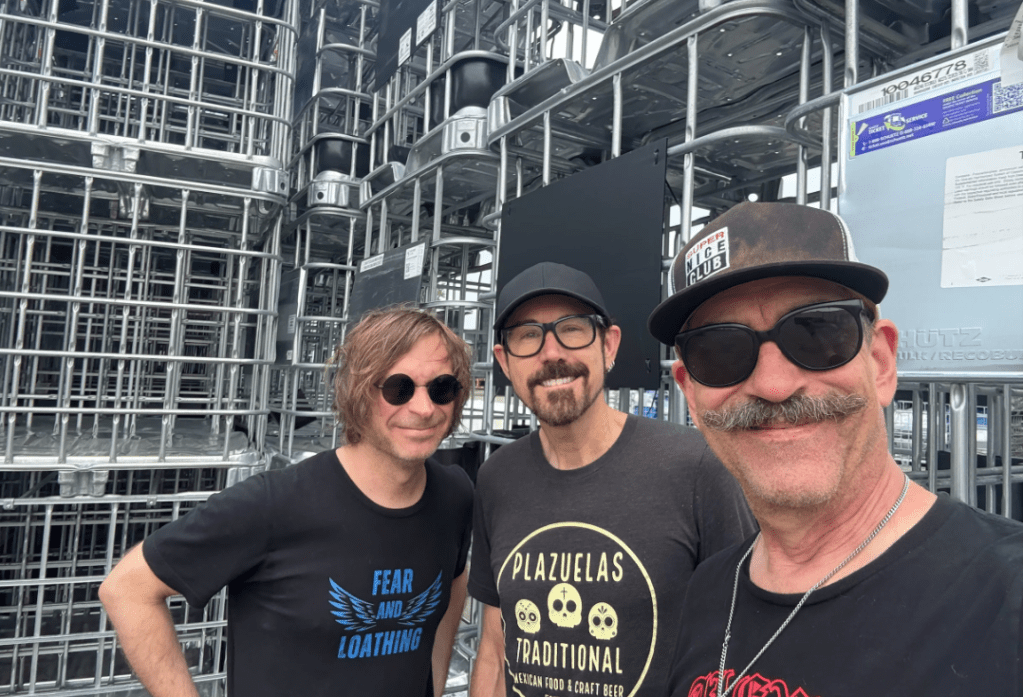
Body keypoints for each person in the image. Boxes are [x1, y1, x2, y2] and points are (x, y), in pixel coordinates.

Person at [647, 201, 1023, 697]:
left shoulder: (1007, 599)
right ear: (690, 396)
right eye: (720, 351)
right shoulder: (709, 589)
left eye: (818, 331)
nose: (775, 385)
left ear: (882, 363)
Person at [99, 306, 475, 697]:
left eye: (441, 388)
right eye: (399, 388)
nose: (424, 408)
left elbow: (453, 582)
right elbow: (128, 589)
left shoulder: (454, 496)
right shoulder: (273, 504)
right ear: (358, 392)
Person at [469, 262, 755, 697]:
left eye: (573, 329)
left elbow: (745, 643)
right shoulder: (495, 479)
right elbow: (494, 648)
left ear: (609, 345)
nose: (551, 353)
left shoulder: (696, 467)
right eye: (527, 335)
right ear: (505, 363)